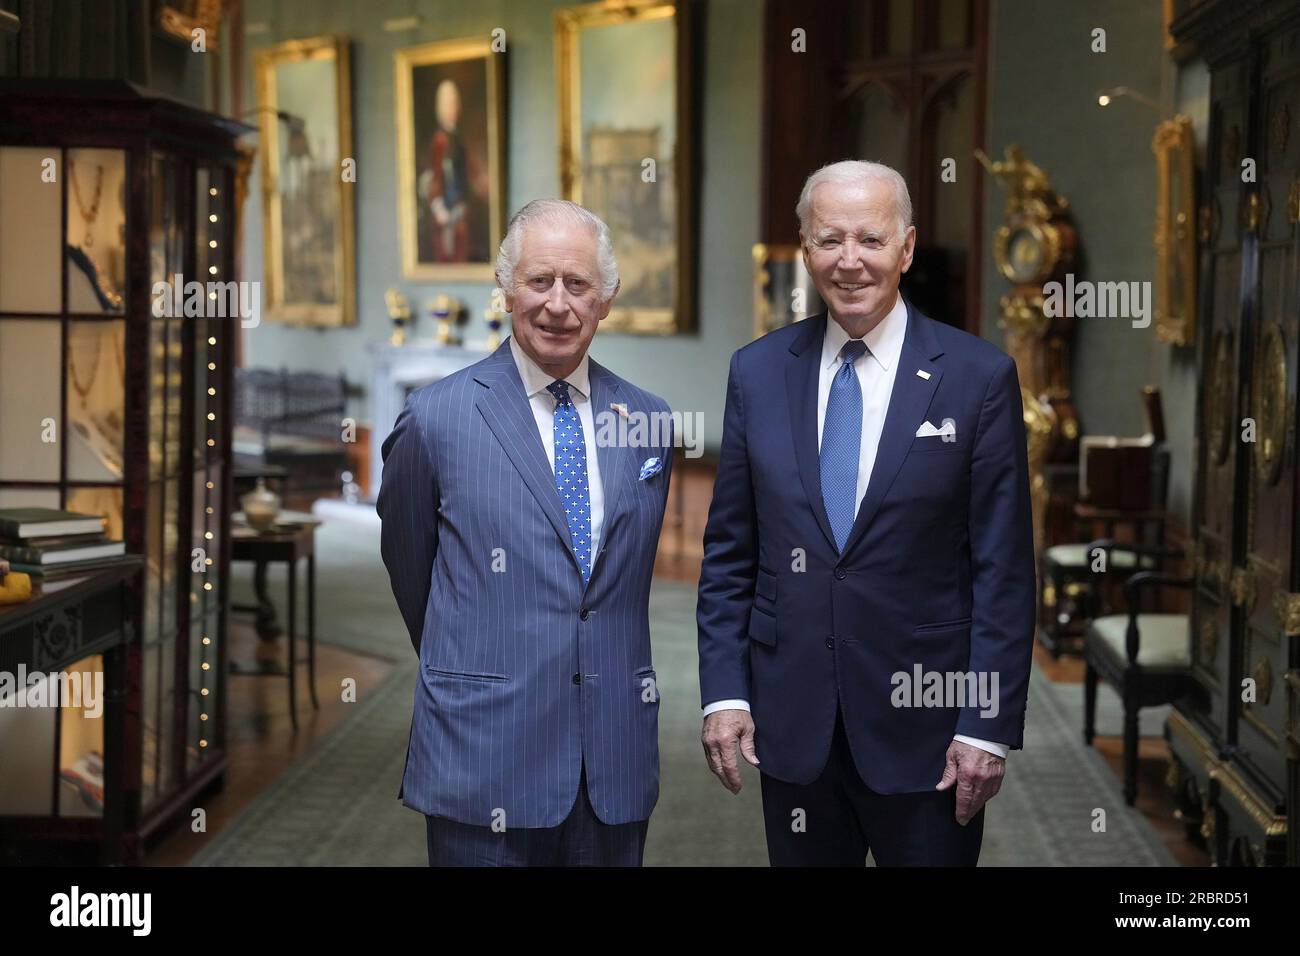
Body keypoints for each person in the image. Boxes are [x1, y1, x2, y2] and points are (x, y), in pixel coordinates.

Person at [696, 160, 1035, 865]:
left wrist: (986, 726)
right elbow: (730, 555)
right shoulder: (756, 372)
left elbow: (1003, 571)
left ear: (906, 248)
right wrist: (724, 693)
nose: (850, 262)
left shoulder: (977, 378)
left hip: (931, 732)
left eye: (871, 241)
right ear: (805, 246)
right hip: (792, 726)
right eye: (830, 240)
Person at [378, 198, 674, 866]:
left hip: (613, 759)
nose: (558, 304)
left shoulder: (648, 422)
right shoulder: (436, 419)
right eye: (540, 281)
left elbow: (618, 587)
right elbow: (410, 566)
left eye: (578, 285)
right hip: (484, 752)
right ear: (507, 289)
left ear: (607, 299)